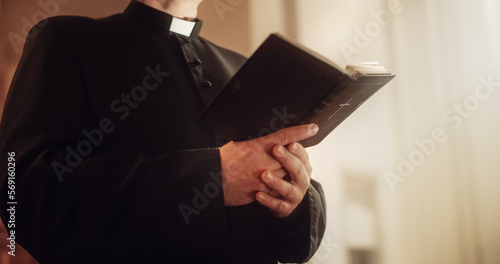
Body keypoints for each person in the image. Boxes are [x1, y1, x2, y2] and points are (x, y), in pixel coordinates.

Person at [0, 0, 326, 263]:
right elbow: (23, 195)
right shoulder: (65, 38)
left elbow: (291, 242)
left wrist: (295, 201)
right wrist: (214, 178)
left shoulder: (244, 67)